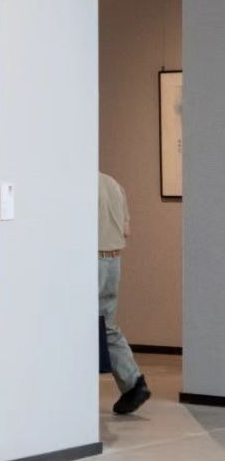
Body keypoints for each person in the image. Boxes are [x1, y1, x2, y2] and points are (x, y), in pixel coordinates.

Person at [99, 172, 151, 415]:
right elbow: (126, 230)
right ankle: (133, 384)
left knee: (82, 326)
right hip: (113, 261)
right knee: (106, 325)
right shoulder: (113, 184)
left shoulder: (77, 182)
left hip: (91, 260)